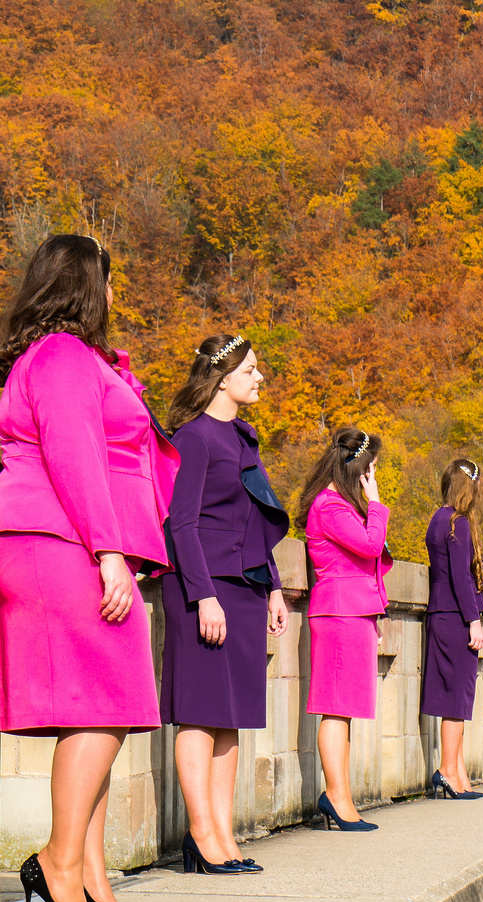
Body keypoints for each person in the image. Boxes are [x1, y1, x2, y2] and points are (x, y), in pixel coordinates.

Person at [0, 233, 179, 902]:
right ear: (88, 285)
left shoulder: (67, 357)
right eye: (110, 279)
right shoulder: (64, 356)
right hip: (63, 539)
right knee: (103, 707)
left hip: (58, 538)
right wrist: (107, 551)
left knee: (106, 708)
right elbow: (74, 457)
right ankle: (59, 864)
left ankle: (88, 872)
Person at [160, 335, 289, 873]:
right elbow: (180, 524)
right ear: (223, 377)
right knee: (199, 713)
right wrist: (205, 594)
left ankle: (222, 831)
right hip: (202, 589)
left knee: (230, 718)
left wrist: (275, 586)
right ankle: (201, 833)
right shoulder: (193, 439)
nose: (260, 378)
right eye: (253, 369)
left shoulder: (244, 438)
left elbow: (256, 518)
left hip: (244, 589)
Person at [302, 427, 392, 831]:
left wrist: (379, 613)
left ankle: (340, 795)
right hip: (338, 612)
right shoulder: (330, 506)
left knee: (346, 710)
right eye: (371, 469)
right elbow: (371, 547)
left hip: (355, 612)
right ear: (357, 468)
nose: (374, 477)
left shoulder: (341, 506)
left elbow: (370, 564)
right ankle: (337, 798)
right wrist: (377, 505)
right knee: (336, 709)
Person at [421, 459, 483, 799]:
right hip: (456, 616)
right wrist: (474, 620)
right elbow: (462, 577)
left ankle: (457, 770)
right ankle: (448, 771)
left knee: (455, 698)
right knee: (456, 700)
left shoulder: (438, 518)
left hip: (441, 614)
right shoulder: (458, 523)